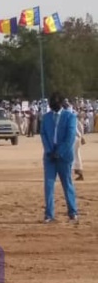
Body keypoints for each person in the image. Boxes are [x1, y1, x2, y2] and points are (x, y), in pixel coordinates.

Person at [40, 93, 78, 224]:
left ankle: (73, 212)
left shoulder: (70, 117)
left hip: (64, 156)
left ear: (61, 103)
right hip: (49, 156)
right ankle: (49, 214)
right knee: (49, 186)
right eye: (51, 102)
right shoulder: (46, 117)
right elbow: (43, 134)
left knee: (67, 184)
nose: (52, 104)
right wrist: (49, 150)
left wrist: (59, 152)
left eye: (54, 102)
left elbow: (70, 137)